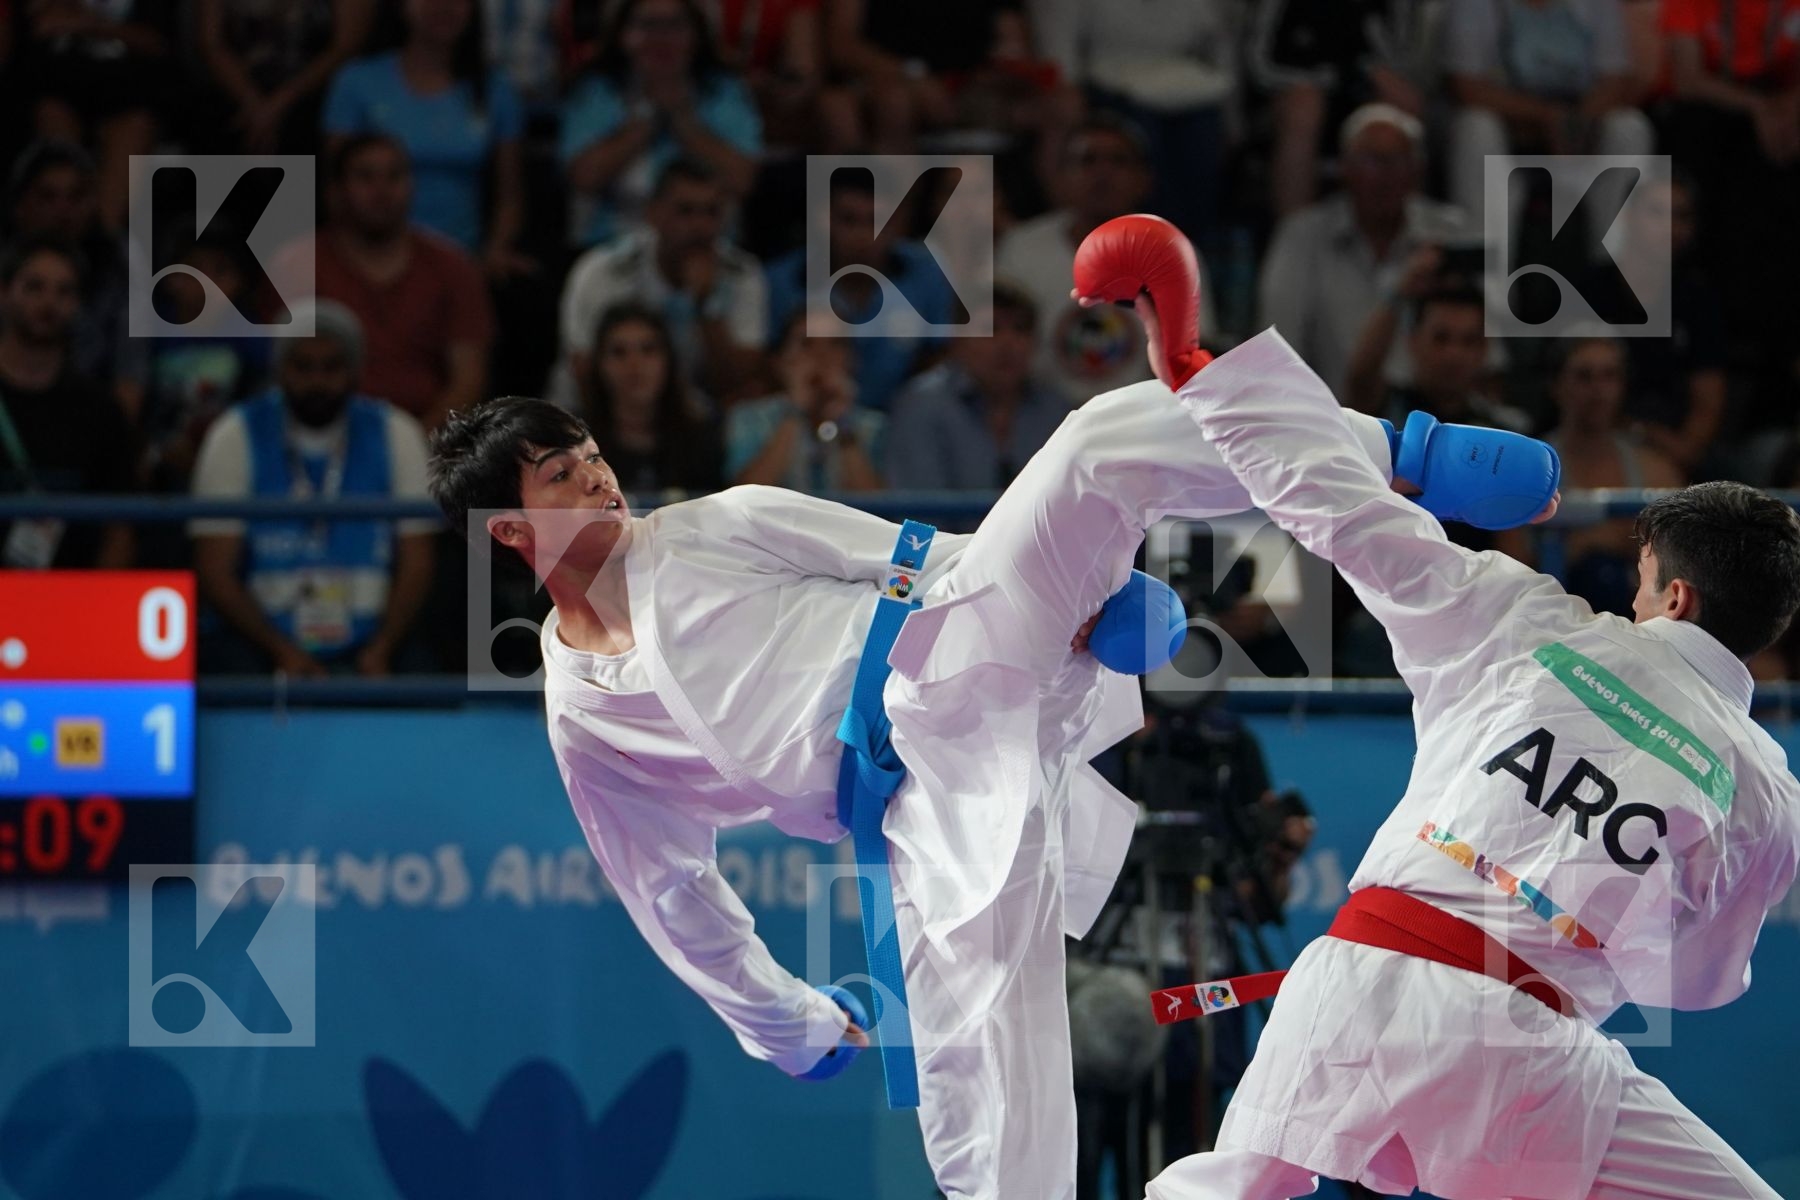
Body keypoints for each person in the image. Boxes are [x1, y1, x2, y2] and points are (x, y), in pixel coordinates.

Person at [424, 212, 1557, 1200]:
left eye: (589, 453)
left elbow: (920, 558)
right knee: (985, 1077)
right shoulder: (586, 719)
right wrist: (791, 1025)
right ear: (510, 532)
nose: (596, 474)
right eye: (559, 474)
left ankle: (1399, 452)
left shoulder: (712, 524)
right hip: (919, 809)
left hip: (954, 637)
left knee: (1097, 443)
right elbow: (671, 892)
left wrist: (1083, 603)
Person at [1124, 254, 1800, 1198]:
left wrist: (1204, 370)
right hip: (1528, 1053)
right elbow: (1692, 984)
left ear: (1676, 596)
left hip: (1355, 985)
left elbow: (1347, 511)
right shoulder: (1765, 793)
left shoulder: (1522, 619)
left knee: (1229, 1188)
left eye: (1643, 582)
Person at [190, 300, 438, 677]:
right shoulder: (235, 433)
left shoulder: (397, 432)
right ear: (279, 370)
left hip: (378, 636)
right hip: (261, 638)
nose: (317, 381)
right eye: (303, 367)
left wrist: (383, 646)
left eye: (331, 367)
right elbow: (215, 569)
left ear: (354, 371)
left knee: (427, 671)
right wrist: (281, 651)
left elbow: (418, 561)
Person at [277, 135, 495, 431]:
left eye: (394, 176)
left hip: (431, 442)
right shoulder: (294, 265)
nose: (382, 190)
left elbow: (468, 380)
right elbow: (279, 374)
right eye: (365, 177)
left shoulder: (454, 268)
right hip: (320, 435)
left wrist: (412, 445)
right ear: (335, 190)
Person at [997, 116, 1217, 407]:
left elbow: (1194, 360)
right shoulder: (1022, 247)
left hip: (1143, 415)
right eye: (1087, 160)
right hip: (1039, 416)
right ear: (1061, 177)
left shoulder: (1172, 252)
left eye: (1118, 161)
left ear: (1144, 180)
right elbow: (996, 350)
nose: (1103, 173)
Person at [1259, 103, 1473, 400]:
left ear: (1418, 170)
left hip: (1435, 415)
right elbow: (1275, 354)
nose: (1385, 175)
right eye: (1371, 161)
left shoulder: (1453, 233)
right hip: (1329, 414)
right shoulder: (1302, 236)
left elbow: (1487, 354)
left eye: (1398, 161)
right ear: (1344, 168)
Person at [323, 0, 530, 272]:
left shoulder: (496, 88)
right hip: (369, 262)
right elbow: (335, 190)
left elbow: (510, 197)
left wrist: (497, 250)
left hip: (462, 264)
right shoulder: (356, 82)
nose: (442, 6)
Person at [553, 158, 766, 408]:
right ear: (653, 213)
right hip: (591, 413)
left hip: (697, 417)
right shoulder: (603, 272)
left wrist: (707, 305)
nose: (700, 226)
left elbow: (739, 383)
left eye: (712, 212)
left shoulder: (743, 275)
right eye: (685, 211)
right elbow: (584, 370)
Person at [1497, 337, 1684, 617]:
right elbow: (1509, 575)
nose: (1598, 389)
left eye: (1609, 376)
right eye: (1584, 376)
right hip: (1550, 621)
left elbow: (1683, 569)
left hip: (1641, 623)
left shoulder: (1657, 470)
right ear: (1556, 385)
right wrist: (1584, 544)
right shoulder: (1522, 471)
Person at [559, 0, 761, 248]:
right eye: (647, 24)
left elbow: (742, 180)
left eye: (675, 25)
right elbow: (583, 178)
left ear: (696, 35)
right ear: (622, 35)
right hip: (613, 245)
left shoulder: (723, 90)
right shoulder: (597, 90)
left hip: (708, 246)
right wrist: (647, 119)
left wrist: (683, 120)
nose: (661, 38)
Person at [1445, 0, 1653, 235]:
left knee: (1630, 127)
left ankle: (1615, 249)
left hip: (1580, 125)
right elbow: (1466, 87)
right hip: (1508, 125)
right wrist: (1545, 117)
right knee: (1476, 127)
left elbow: (1615, 81)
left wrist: (1574, 125)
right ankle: (1482, 248)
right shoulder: (1474, 5)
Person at [764, 168, 957, 412]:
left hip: (903, 418)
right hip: (805, 414)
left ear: (899, 223)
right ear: (824, 220)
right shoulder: (783, 282)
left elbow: (942, 359)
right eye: (849, 220)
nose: (864, 235)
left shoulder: (926, 275)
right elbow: (767, 369)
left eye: (877, 221)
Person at [0, 235, 137, 570]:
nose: (49, 303)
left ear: (78, 304)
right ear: (4, 293)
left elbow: (119, 529)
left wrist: (98, 597)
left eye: (64, 292)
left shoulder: (100, 411)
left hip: (71, 592)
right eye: (34, 287)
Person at [1250, 0, 1430, 218]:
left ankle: (1406, 227)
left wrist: (1365, 62)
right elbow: (1259, 64)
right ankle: (1295, 228)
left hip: (1365, 80)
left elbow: (1405, 58)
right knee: (1304, 109)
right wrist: (1323, 78)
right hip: (1295, 84)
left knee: (1404, 100)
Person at [885, 282, 1069, 491]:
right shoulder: (922, 407)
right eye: (990, 329)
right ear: (957, 339)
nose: (1008, 344)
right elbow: (919, 504)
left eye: (1020, 329)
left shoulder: (1055, 410)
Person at [724, 312, 885, 493]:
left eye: (835, 344)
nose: (822, 356)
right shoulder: (749, 418)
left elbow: (878, 504)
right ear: (780, 361)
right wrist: (795, 411)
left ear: (852, 360)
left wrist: (844, 423)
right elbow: (745, 495)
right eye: (806, 344)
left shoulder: (873, 425)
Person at [578, 301, 724, 494]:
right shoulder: (575, 443)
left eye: (648, 349)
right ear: (599, 364)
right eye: (619, 352)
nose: (634, 364)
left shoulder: (702, 441)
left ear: (668, 360)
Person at [1347, 282, 1531, 433]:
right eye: (1440, 338)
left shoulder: (1503, 431)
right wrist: (1400, 292)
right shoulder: (1383, 413)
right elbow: (1362, 377)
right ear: (1413, 341)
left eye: (1469, 341)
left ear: (1484, 349)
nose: (1454, 354)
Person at [196, 0, 375, 154]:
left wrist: (277, 105)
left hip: (317, 101)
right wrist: (252, 103)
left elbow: (346, 46)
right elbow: (211, 43)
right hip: (234, 101)